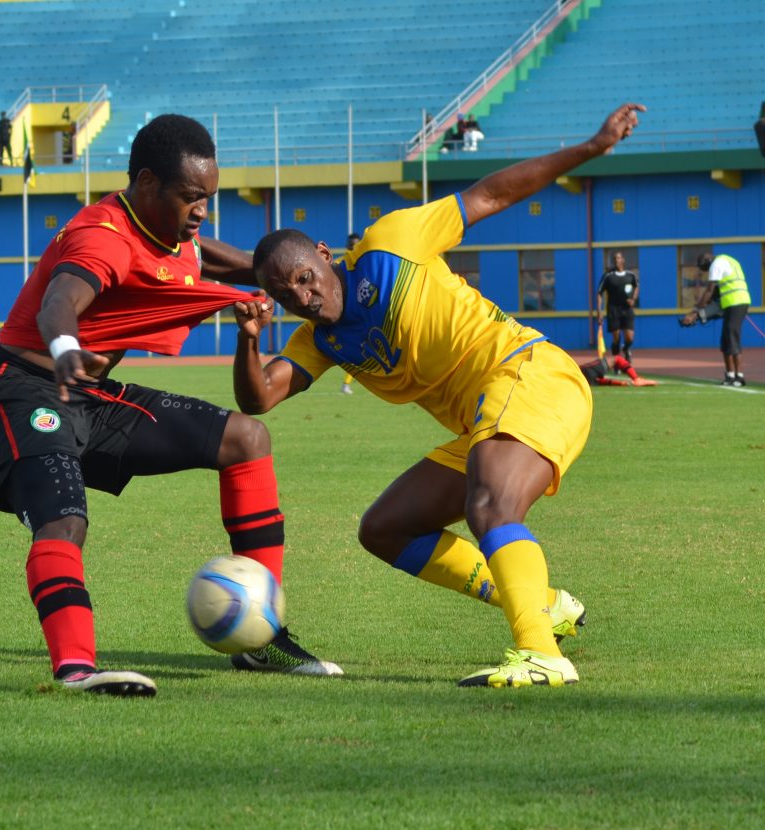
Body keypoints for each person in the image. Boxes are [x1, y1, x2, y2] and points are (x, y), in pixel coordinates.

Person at [233, 102, 647, 688]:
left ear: (326, 256)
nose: (302, 295)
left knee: (491, 508)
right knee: (385, 529)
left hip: (527, 373)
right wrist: (248, 342)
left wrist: (590, 147)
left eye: (305, 277)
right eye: (285, 294)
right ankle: (543, 603)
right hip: (486, 419)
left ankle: (541, 653)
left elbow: (491, 195)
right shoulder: (318, 342)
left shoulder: (390, 243)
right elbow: (260, 398)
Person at [0, 114, 342, 698]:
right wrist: (64, 348)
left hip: (89, 396)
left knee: (247, 440)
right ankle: (75, 669)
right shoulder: (104, 237)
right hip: (17, 391)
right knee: (64, 516)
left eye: (207, 197)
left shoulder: (170, 232)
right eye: (192, 197)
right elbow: (60, 300)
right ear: (145, 185)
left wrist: (303, 269)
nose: (201, 211)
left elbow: (209, 257)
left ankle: (260, 639)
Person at [680, 253, 751, 387]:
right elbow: (717, 292)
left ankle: (739, 377)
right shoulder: (730, 260)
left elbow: (709, 290)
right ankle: (730, 376)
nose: (705, 271)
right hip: (733, 303)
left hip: (736, 302)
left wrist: (694, 310)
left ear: (707, 261)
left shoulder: (716, 264)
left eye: (703, 267)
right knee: (725, 339)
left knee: (732, 336)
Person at [596, 251, 640, 366]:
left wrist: (633, 299)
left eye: (619, 258)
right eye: (614, 259)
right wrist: (599, 312)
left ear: (623, 260)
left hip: (627, 309)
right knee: (616, 337)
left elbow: (636, 287)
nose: (617, 260)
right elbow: (599, 293)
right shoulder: (608, 276)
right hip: (613, 309)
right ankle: (617, 362)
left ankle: (626, 349)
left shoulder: (630, 275)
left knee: (629, 337)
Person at [340, 232, 362, 394]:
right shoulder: (339, 263)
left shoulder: (365, 263)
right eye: (350, 244)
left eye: (355, 244)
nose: (352, 247)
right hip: (346, 315)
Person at [578, 354, 657, 387]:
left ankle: (633, 381)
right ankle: (636, 378)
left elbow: (600, 381)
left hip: (582, 378)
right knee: (617, 359)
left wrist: (621, 383)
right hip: (583, 370)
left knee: (597, 381)